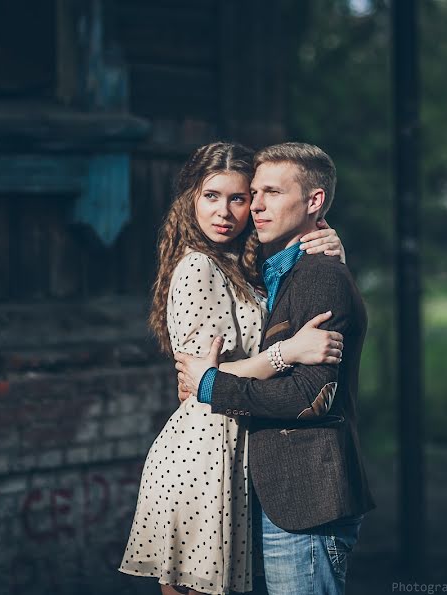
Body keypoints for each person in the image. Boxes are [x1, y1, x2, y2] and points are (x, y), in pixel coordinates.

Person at [118, 142, 347, 595]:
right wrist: (291, 352)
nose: (225, 211)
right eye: (211, 196)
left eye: (238, 198)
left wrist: (333, 242)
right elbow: (207, 380)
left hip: (235, 444)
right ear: (190, 200)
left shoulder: (243, 265)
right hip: (202, 455)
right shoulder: (198, 266)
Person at [176, 142, 374, 595]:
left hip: (308, 495)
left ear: (314, 202)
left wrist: (211, 384)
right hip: (272, 491)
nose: (257, 205)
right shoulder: (268, 270)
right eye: (255, 193)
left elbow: (309, 397)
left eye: (272, 193)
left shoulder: (320, 276)